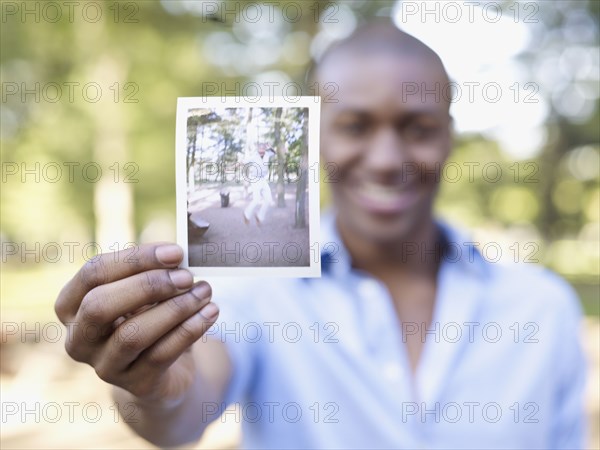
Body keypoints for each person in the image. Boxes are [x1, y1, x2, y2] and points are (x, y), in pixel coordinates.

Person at [54, 22, 587, 449]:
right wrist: (149, 388)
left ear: (449, 135)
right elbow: (183, 413)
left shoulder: (544, 309)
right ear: (314, 137)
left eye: (417, 128)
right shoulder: (254, 288)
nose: (386, 160)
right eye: (355, 126)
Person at [242, 143, 273, 225]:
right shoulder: (254, 156)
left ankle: (260, 216)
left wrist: (270, 146)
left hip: (263, 179)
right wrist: (230, 167)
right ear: (258, 149)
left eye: (263, 149)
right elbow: (243, 162)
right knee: (256, 199)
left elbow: (274, 152)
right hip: (255, 179)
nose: (262, 150)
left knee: (268, 199)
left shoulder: (268, 154)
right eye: (260, 149)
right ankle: (246, 214)